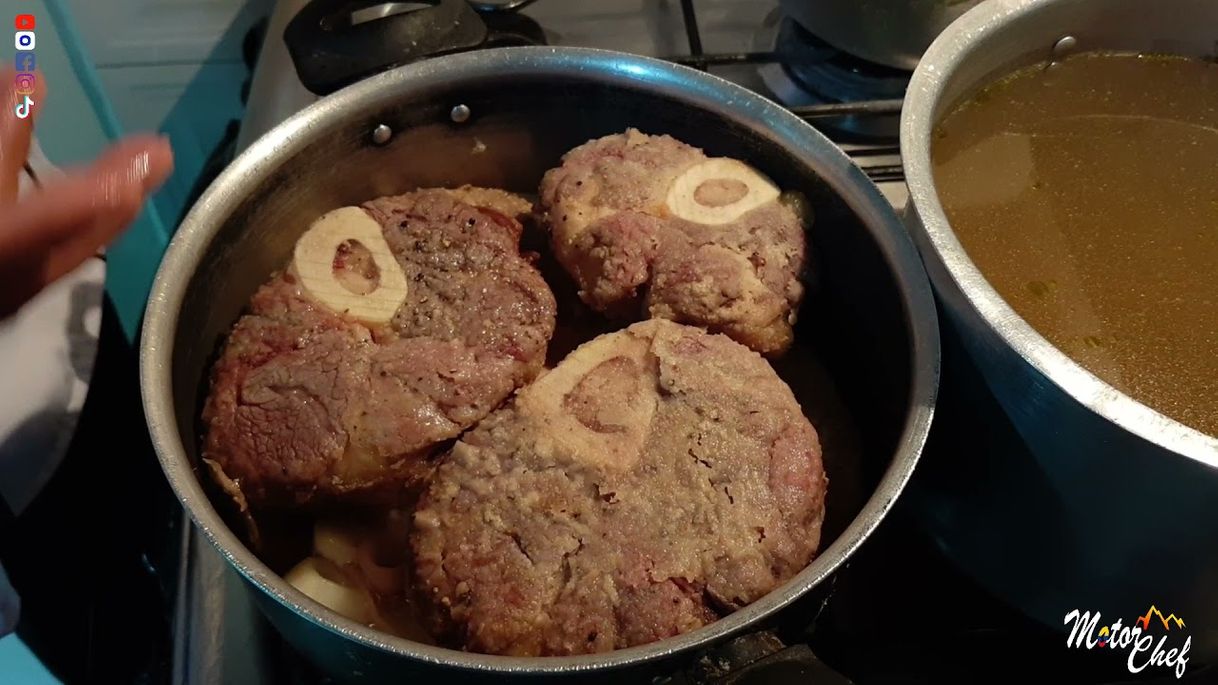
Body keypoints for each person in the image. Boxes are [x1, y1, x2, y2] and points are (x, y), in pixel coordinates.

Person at [0, 66, 174, 639]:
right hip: (17, 488)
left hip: (80, 320)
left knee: (157, 495)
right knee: (95, 620)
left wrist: (23, 72)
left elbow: (21, 42)